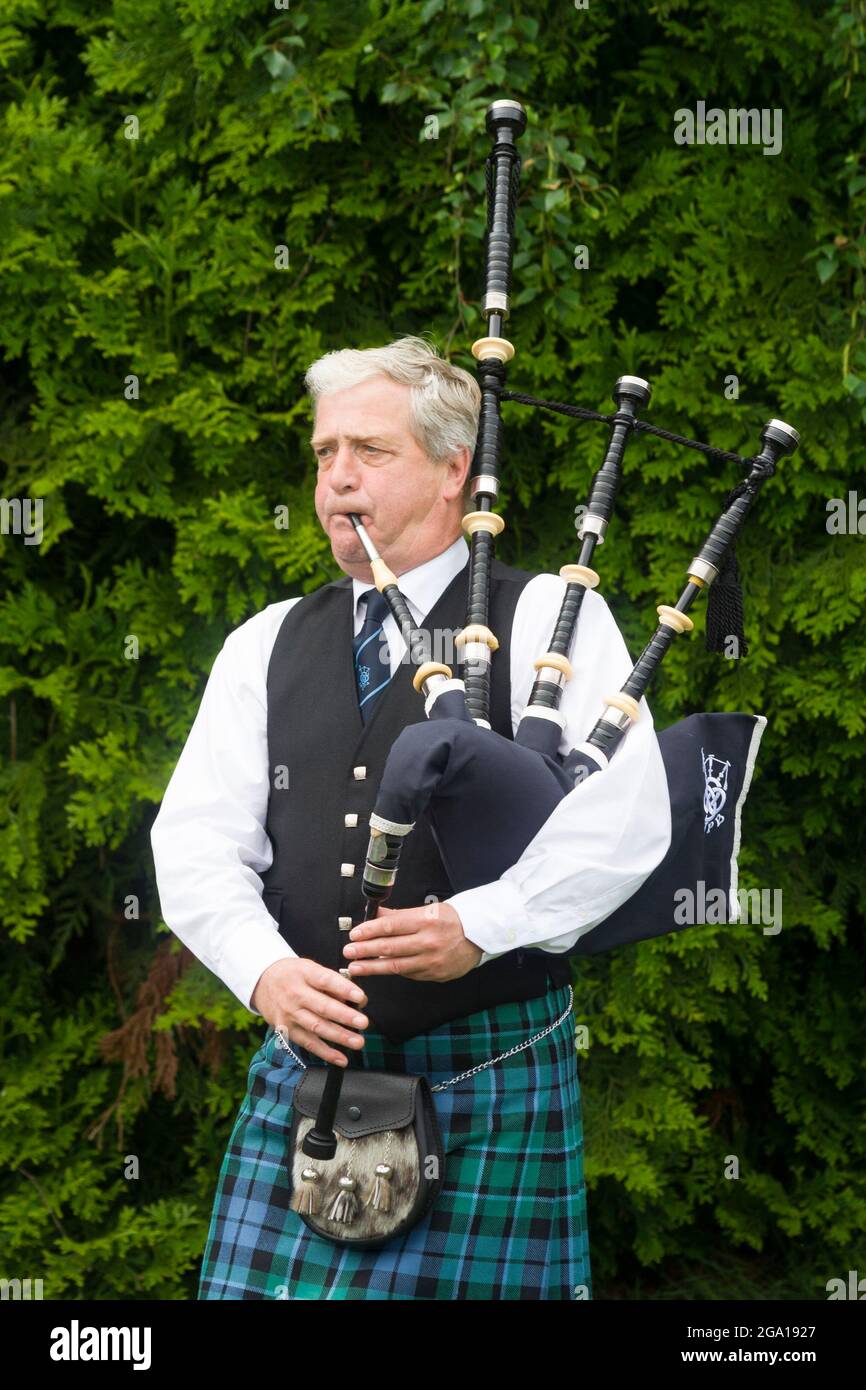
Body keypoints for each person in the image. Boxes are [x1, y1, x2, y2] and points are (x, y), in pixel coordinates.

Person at [150, 335, 671, 1300]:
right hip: (310, 1084)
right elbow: (194, 841)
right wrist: (263, 972)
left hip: (487, 1074)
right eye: (323, 454)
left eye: (370, 452)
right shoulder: (265, 643)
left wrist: (482, 927)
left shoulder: (548, 616)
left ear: (453, 472)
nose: (338, 477)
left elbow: (627, 823)